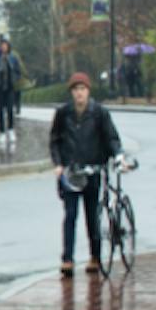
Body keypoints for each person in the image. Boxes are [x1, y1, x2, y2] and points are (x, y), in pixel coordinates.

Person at [48, 71, 123, 278]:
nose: (79, 93)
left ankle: (95, 257)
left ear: (88, 91)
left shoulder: (99, 113)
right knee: (70, 215)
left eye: (82, 89)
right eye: (75, 90)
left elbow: (111, 138)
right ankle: (67, 259)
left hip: (92, 171)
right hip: (71, 172)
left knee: (92, 216)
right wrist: (58, 164)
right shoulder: (63, 114)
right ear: (71, 93)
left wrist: (118, 155)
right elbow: (55, 140)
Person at [0, 37, 24, 147]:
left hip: (10, 88)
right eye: (2, 45)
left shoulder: (12, 59)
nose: (4, 47)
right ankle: (2, 132)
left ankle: (11, 130)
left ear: (8, 47)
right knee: (0, 111)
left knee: (10, 109)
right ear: (0, 47)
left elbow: (18, 72)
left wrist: (15, 79)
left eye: (5, 45)